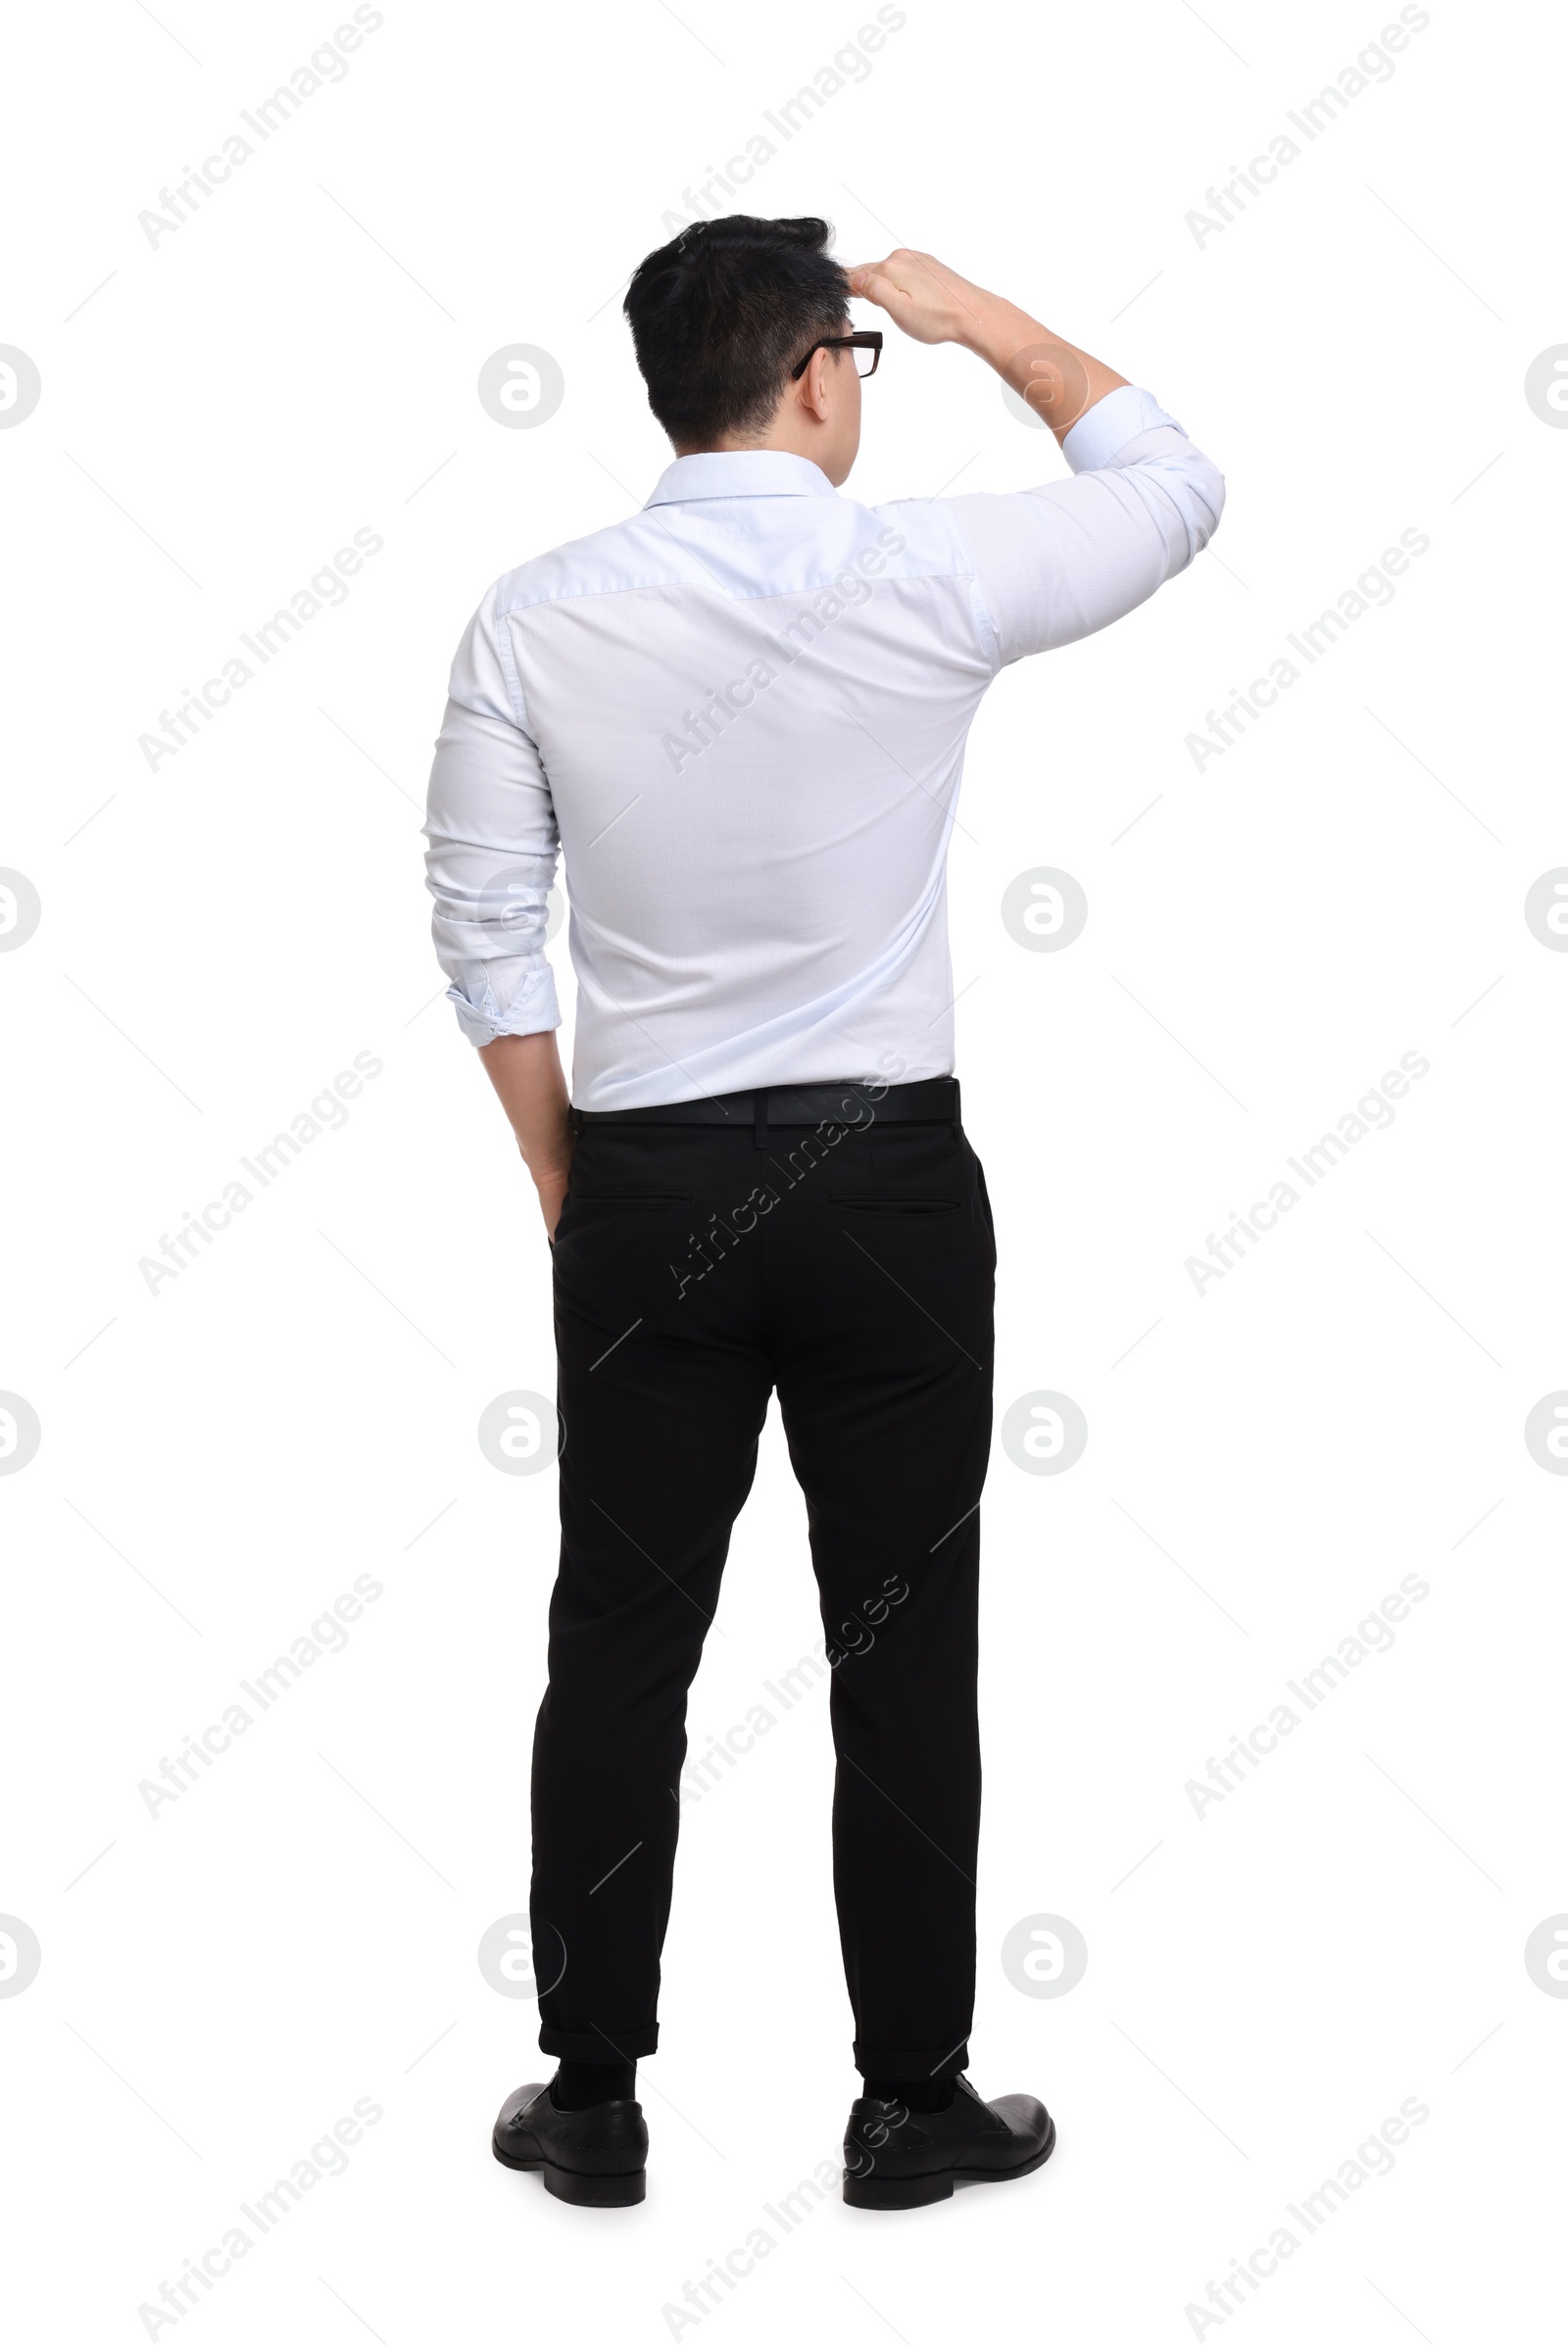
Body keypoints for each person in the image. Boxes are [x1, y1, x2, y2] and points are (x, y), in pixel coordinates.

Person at [423, 218, 1224, 2211]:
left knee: (617, 1634)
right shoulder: (919, 571)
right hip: (879, 1187)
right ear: (811, 375)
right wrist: (973, 315)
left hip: (647, 1188)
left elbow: (480, 931)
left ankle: (590, 2099)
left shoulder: (533, 615)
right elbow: (1173, 481)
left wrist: (557, 1165)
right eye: (864, 351)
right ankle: (908, 2100)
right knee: (900, 1639)